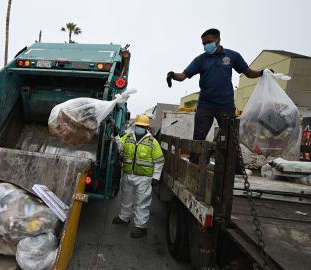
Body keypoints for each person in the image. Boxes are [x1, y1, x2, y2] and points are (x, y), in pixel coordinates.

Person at [166, 28, 264, 165]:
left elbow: (248, 73)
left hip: (226, 105)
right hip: (205, 105)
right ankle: (194, 165)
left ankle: (234, 168)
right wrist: (172, 75)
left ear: (218, 40)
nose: (206, 46)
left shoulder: (232, 56)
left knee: (230, 138)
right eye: (204, 44)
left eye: (209, 42)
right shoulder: (201, 60)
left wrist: (262, 73)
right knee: (198, 138)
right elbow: (183, 75)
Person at [112, 114, 164, 238]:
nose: (140, 127)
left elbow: (159, 160)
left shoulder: (153, 142)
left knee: (142, 202)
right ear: (135, 125)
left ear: (147, 128)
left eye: (142, 126)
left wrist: (156, 176)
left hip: (144, 178)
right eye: (138, 125)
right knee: (126, 197)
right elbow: (120, 147)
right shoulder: (128, 137)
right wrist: (116, 135)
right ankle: (124, 217)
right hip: (128, 174)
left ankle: (141, 227)